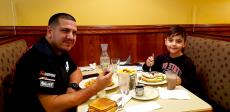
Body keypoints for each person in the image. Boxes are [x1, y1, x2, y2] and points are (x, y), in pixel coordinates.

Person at [12, 13, 113, 112]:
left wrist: (72, 86)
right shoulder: (38, 57)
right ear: (50, 31)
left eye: (74, 33)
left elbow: (75, 70)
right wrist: (96, 87)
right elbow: (52, 106)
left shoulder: (59, 49)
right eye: (65, 30)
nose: (71, 37)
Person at [142, 25, 201, 96]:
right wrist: (148, 65)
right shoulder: (161, 58)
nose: (174, 44)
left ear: (184, 44)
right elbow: (149, 71)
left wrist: (182, 81)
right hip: (160, 92)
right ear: (166, 42)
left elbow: (194, 86)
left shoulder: (187, 63)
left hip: (178, 95)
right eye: (170, 40)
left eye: (178, 41)